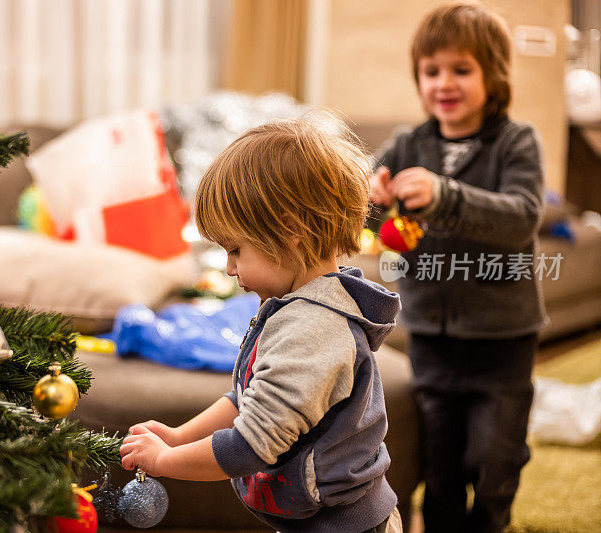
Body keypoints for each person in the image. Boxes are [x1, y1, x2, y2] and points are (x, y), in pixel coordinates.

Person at [120, 117, 404, 533]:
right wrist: (179, 437)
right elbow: (245, 398)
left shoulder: (314, 328)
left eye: (235, 249)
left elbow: (252, 443)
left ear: (290, 229)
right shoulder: (295, 309)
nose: (230, 268)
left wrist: (166, 461)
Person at [369, 2, 546, 532]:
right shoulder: (407, 144)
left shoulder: (516, 142)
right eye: (432, 71)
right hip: (430, 338)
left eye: (461, 70)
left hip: (502, 339)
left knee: (492, 460)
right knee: (438, 464)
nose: (444, 83)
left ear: (493, 76)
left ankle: (493, 518)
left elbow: (521, 217)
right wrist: (374, 199)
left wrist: (445, 194)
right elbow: (370, 220)